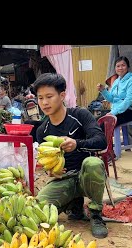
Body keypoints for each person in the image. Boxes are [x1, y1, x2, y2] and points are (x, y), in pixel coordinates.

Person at [33, 73, 109, 239]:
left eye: (49, 96)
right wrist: (52, 172)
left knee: (93, 163)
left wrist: (77, 144)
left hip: (85, 176)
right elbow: (48, 162)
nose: (44, 103)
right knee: (37, 208)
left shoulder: (80, 115)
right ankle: (74, 205)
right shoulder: (42, 131)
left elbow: (101, 142)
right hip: (64, 179)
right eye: (40, 98)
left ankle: (96, 215)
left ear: (62, 95)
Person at [97, 56, 132, 127]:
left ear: (128, 67)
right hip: (116, 110)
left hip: (129, 111)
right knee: (95, 122)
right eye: (118, 66)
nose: (120, 68)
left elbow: (128, 101)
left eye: (123, 65)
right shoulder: (117, 81)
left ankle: (102, 138)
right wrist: (103, 90)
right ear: (115, 68)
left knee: (103, 124)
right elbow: (111, 99)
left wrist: (113, 113)